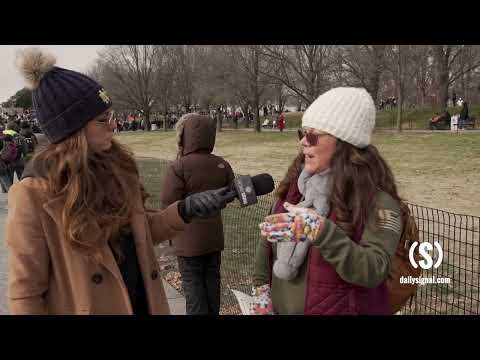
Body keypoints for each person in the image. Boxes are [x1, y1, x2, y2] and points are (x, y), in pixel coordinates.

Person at [6, 47, 231, 315]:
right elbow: (25, 294)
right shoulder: (32, 195)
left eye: (111, 116)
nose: (113, 126)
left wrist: (185, 210)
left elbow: (139, 233)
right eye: (103, 119)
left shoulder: (120, 170)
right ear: (72, 129)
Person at [253, 87, 413, 315]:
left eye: (312, 135)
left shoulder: (378, 203)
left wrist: (320, 231)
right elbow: (266, 244)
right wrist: (262, 293)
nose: (303, 143)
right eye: (302, 133)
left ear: (344, 143)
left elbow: (373, 269)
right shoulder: (295, 188)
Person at [160, 113, 235, 315]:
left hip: (186, 239)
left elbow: (168, 201)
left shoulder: (179, 166)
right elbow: (228, 195)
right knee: (212, 287)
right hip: (214, 238)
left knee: (194, 291)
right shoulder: (222, 164)